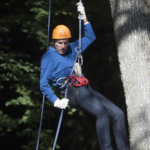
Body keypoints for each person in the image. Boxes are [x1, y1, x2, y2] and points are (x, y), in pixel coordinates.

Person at [40, 2, 130, 150]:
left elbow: (90, 37)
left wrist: (84, 18)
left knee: (118, 114)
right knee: (102, 113)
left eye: (65, 42)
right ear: (54, 41)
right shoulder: (49, 57)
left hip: (85, 88)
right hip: (70, 91)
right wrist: (55, 100)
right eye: (59, 43)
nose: (62, 46)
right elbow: (43, 83)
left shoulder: (72, 48)